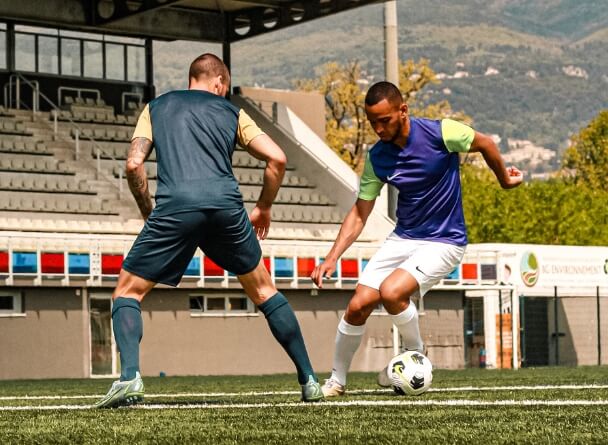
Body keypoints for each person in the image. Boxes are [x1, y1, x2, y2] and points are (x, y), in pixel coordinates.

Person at [95, 53, 323, 408]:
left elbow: (133, 163)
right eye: (225, 87)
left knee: (127, 292)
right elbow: (277, 157)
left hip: (176, 207)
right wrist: (263, 207)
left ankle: (129, 379)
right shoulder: (231, 112)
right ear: (219, 82)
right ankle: (309, 379)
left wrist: (149, 213)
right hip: (225, 207)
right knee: (264, 290)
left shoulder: (156, 108)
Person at [311, 81, 523, 397]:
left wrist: (505, 179)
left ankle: (417, 353)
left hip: (445, 240)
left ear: (403, 110)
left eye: (384, 120)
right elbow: (359, 213)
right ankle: (337, 381)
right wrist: (332, 257)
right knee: (358, 305)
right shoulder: (378, 157)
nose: (378, 129)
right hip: (404, 237)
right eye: (372, 123)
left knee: (392, 292)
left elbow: (487, 143)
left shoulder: (441, 133)